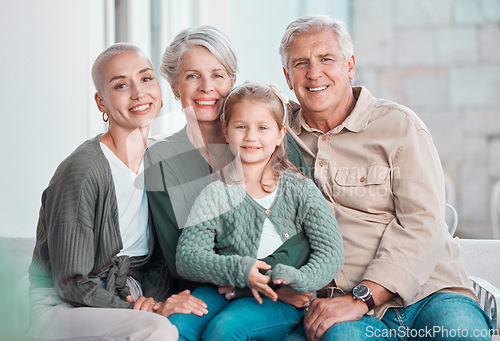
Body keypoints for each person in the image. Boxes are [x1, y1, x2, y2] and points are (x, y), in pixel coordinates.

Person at [279, 15, 492, 341]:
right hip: (346, 309)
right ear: (286, 75)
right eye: (300, 63)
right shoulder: (276, 136)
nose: (313, 72)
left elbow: (422, 225)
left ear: (350, 65)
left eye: (326, 59)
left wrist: (362, 297)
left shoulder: (399, 127)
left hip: (431, 294)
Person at [28, 43, 207, 341]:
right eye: (121, 85)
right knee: (159, 330)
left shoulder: (159, 161)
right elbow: (71, 282)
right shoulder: (83, 171)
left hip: (125, 296)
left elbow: (158, 259)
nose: (139, 93)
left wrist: (154, 301)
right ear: (101, 103)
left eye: (146, 79)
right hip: (62, 305)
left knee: (183, 320)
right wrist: (148, 311)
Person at [144, 26, 314, 313]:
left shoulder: (267, 139)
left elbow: (306, 228)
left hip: (283, 286)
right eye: (192, 76)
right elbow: (179, 256)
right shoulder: (161, 160)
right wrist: (244, 281)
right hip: (205, 295)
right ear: (174, 86)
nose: (207, 87)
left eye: (218, 75)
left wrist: (266, 278)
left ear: (232, 79)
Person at [173, 82, 344, 341]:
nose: (251, 136)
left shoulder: (299, 189)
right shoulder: (216, 193)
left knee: (226, 330)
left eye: (262, 128)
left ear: (279, 134)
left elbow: (331, 251)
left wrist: (299, 279)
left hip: (281, 297)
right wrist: (240, 270)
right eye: (241, 127)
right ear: (226, 131)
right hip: (222, 287)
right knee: (178, 327)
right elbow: (188, 256)